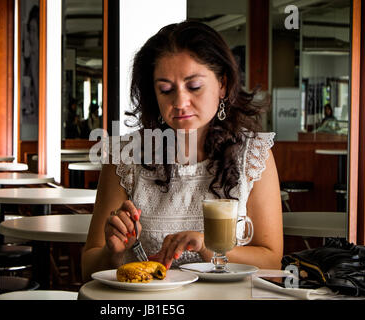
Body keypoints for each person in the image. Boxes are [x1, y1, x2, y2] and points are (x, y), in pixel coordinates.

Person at [81, 21, 283, 280]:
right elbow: (88, 269)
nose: (179, 102)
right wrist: (114, 253)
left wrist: (207, 248)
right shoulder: (124, 157)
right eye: (165, 90)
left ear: (222, 83)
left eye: (194, 86)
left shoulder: (253, 154)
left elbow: (272, 264)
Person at [22, 5, 39, 119]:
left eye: (33, 30)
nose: (29, 36)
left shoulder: (47, 66)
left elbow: (43, 104)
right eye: (29, 30)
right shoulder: (26, 62)